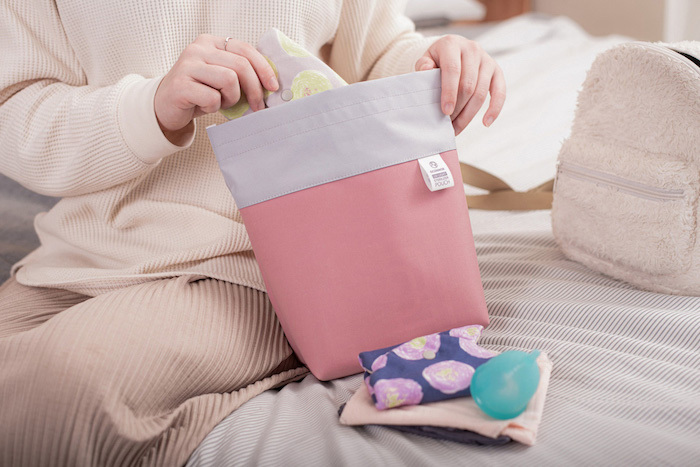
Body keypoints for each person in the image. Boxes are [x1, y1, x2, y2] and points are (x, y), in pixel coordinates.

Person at [0, 0, 505, 464]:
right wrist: (150, 106)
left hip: (257, 262)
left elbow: (378, 54)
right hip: (75, 255)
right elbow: (15, 112)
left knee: (49, 394)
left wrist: (441, 65)